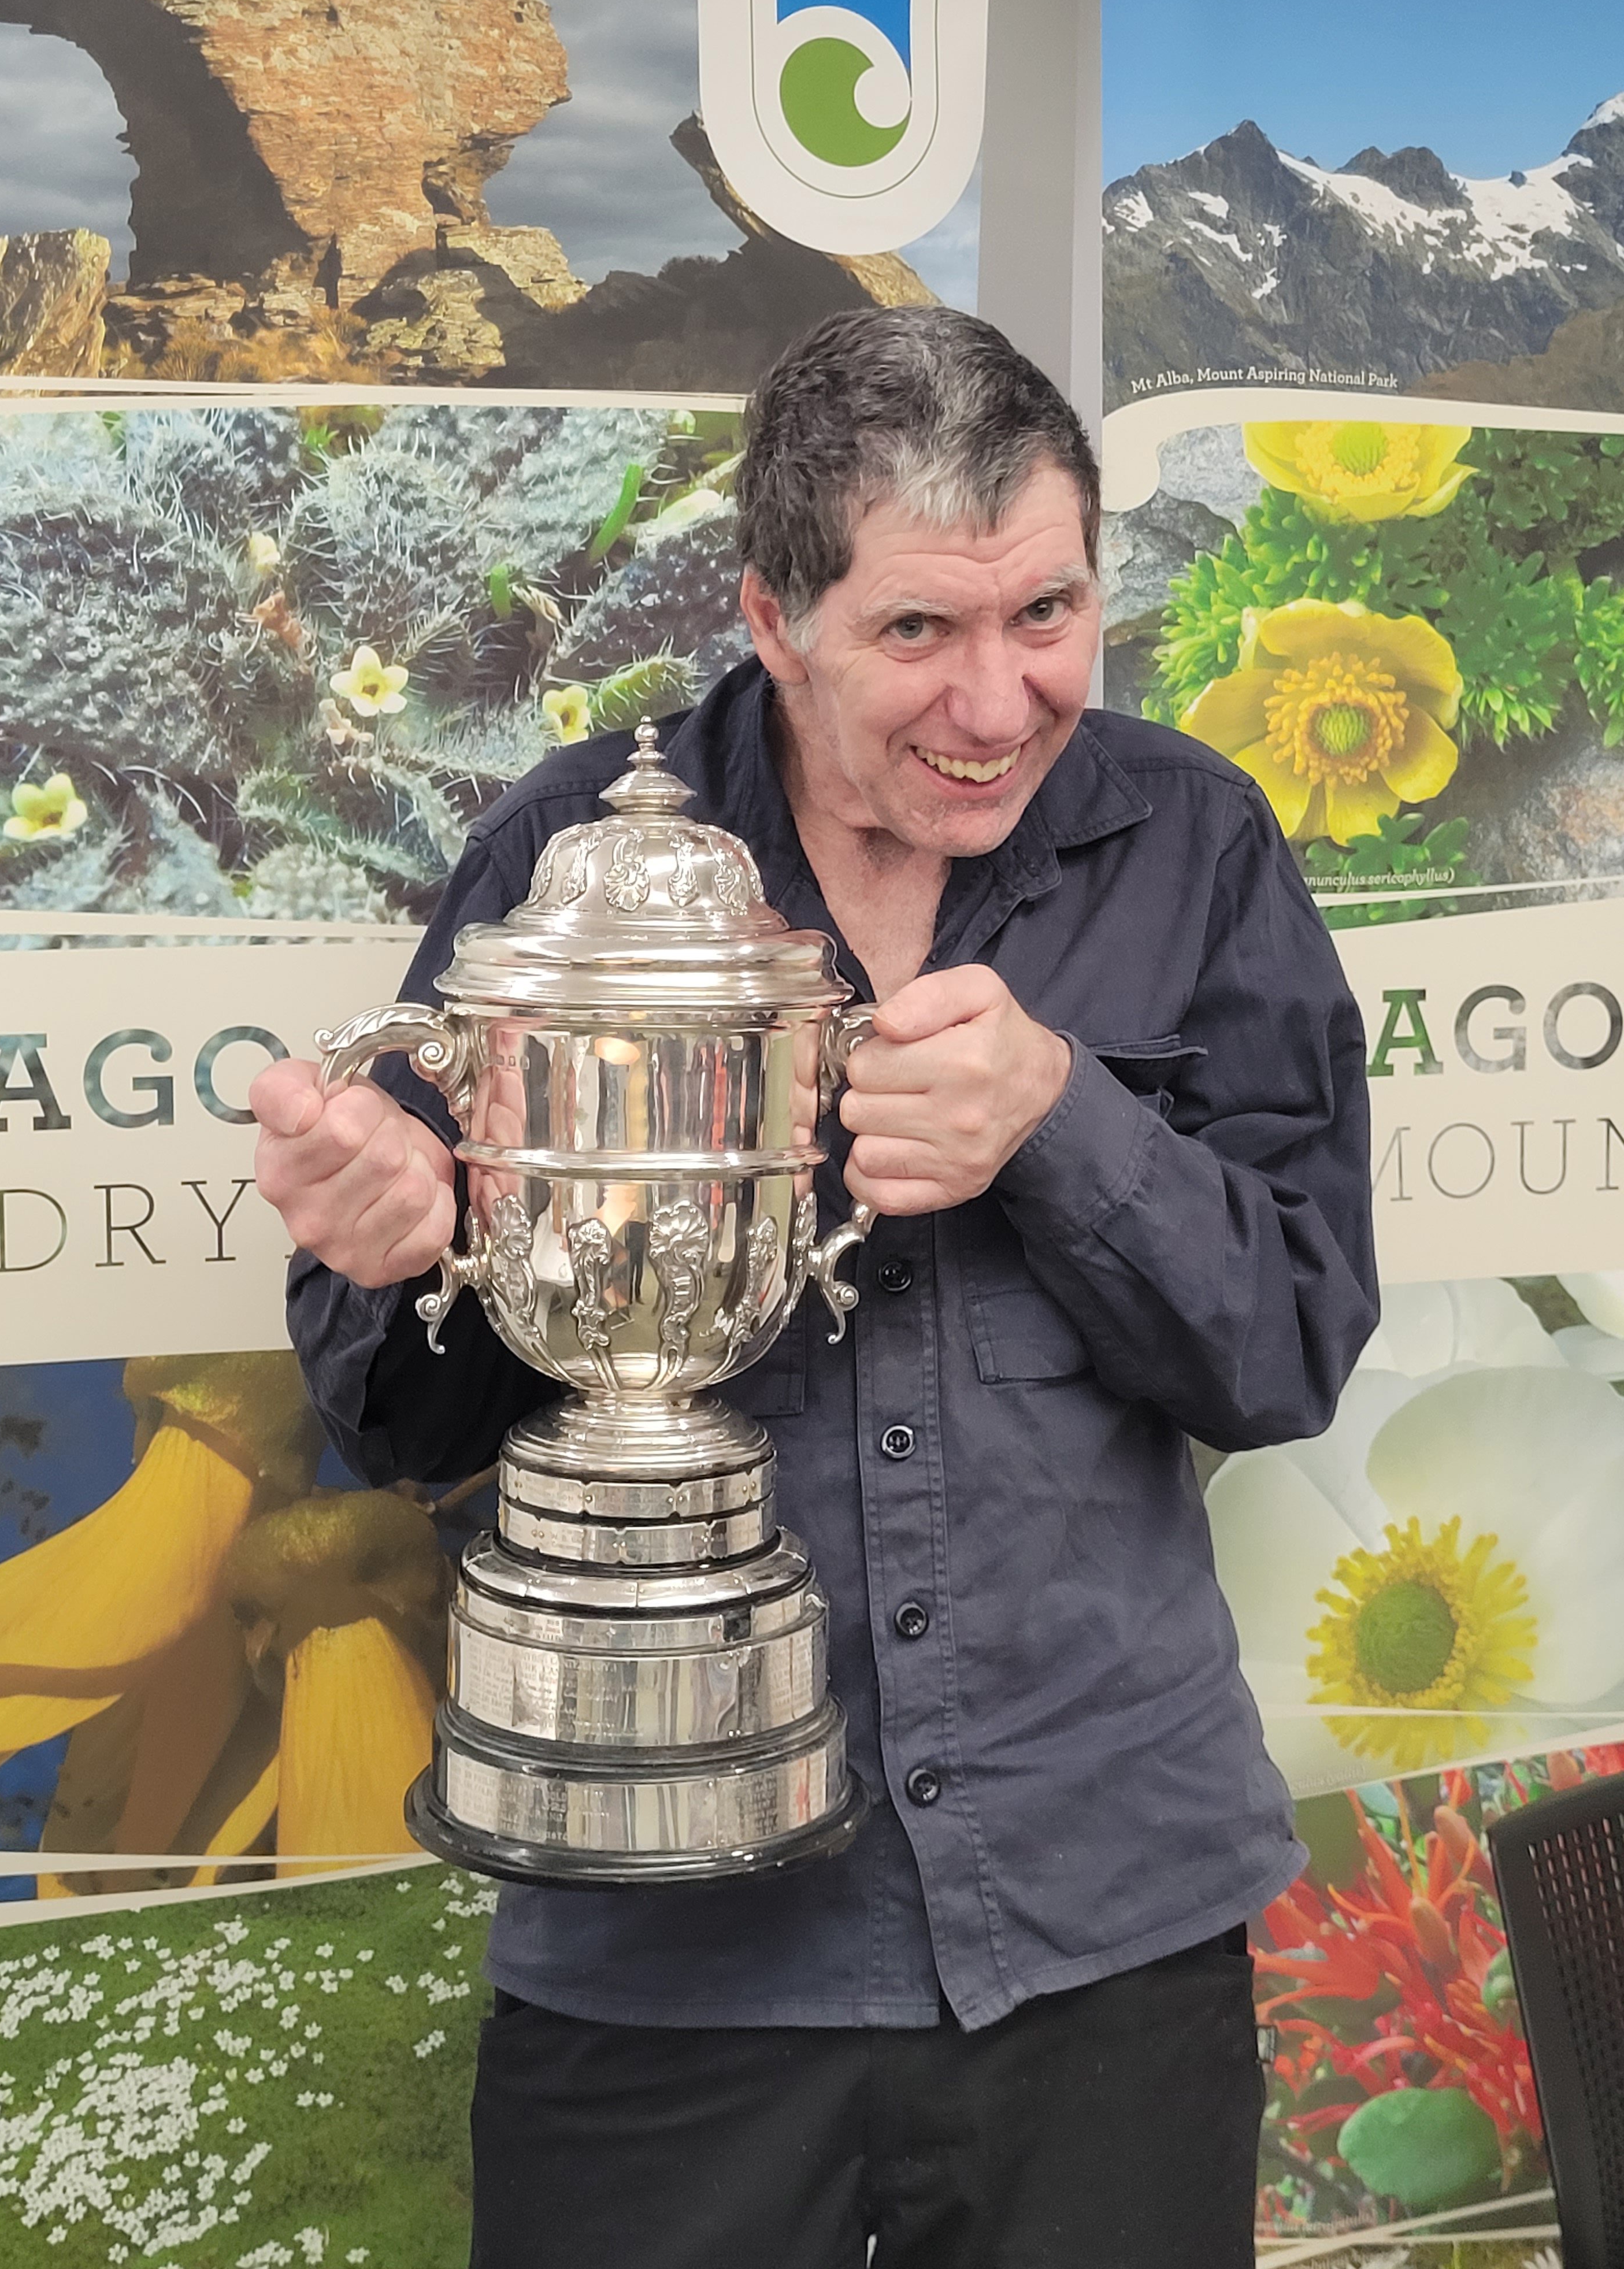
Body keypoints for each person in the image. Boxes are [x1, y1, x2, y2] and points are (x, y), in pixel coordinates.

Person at [251, 307, 1380, 2268]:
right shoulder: (562, 861)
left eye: (1049, 613)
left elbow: (1290, 1344)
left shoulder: (1194, 841)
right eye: (919, 629)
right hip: (662, 1943)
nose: (1000, 699)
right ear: (773, 618)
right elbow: (400, 1425)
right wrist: (409, 1249)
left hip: (1100, 1925)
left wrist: (1062, 1126)